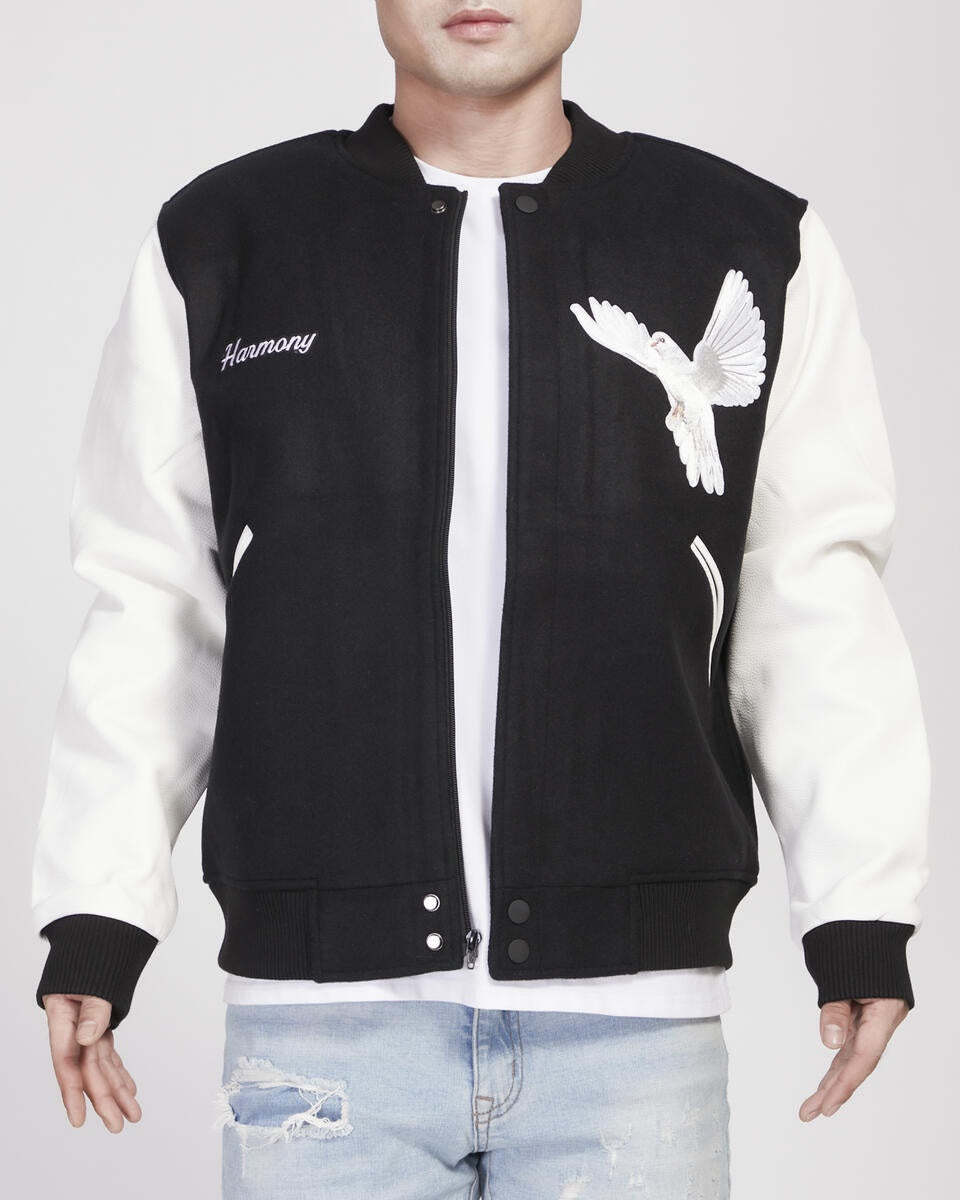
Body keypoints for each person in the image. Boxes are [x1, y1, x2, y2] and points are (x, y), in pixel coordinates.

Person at [32, 2, 931, 1196]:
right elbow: (153, 601)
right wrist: (99, 913)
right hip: (320, 1030)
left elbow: (810, 600)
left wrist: (858, 909)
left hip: (631, 1033)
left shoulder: (742, 238)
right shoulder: (227, 239)